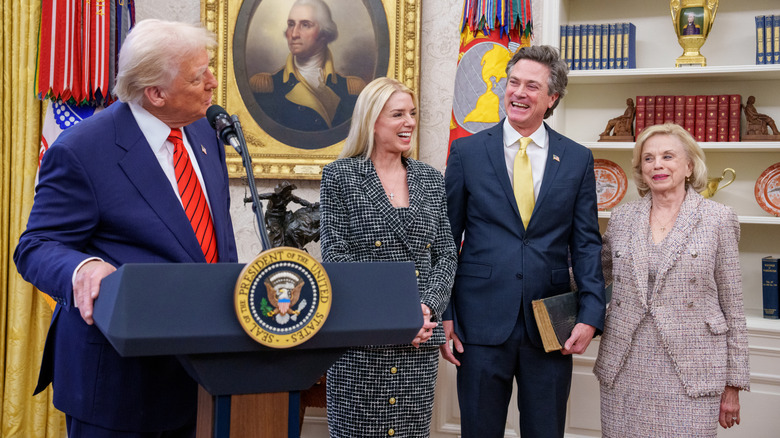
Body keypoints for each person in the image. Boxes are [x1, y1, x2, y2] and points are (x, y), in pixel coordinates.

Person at [14, 19, 238, 437]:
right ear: (156, 93)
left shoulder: (207, 131)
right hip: (120, 385)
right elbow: (36, 245)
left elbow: (209, 240)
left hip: (204, 376)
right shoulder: (83, 149)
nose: (213, 82)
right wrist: (84, 269)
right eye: (198, 76)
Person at [441, 45, 605, 437]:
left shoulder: (578, 159)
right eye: (513, 82)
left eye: (532, 86)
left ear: (552, 99)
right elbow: (447, 238)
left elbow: (586, 244)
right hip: (478, 324)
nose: (518, 92)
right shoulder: (467, 152)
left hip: (550, 327)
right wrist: (445, 313)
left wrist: (590, 313)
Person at [319, 77, 458, 437]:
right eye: (398, 114)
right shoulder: (341, 176)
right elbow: (336, 257)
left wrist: (426, 307)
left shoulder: (430, 178)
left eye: (412, 113)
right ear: (371, 121)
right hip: (361, 345)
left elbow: (445, 255)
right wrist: (397, 316)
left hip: (420, 343)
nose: (409, 122)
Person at [594, 123, 750, 437]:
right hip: (626, 366)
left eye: (668, 156)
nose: (658, 165)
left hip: (694, 370)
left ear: (690, 165)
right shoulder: (622, 218)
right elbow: (595, 275)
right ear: (640, 169)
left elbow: (733, 305)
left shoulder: (719, 218)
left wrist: (733, 384)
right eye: (648, 159)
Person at [250, 0, 366, 131]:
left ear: (324, 33)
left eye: (305, 25)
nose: (294, 34)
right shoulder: (266, 88)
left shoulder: (351, 90)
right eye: (291, 24)